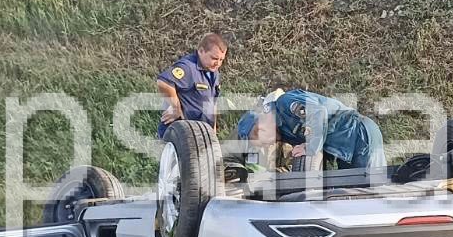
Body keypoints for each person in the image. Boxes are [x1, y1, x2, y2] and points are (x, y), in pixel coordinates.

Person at [237, 88, 385, 170]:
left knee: (372, 192)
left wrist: (311, 146)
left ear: (261, 127)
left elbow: (318, 112)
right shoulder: (284, 132)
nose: (269, 144)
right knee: (353, 194)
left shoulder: (285, 103)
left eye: (263, 142)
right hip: (344, 149)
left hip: (359, 134)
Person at [156, 32, 227, 138]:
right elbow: (163, 82)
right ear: (201, 51)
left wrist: (213, 130)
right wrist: (176, 108)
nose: (218, 63)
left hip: (201, 134)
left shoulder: (214, 73)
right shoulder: (188, 67)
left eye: (221, 60)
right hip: (180, 134)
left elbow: (212, 103)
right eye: (214, 58)